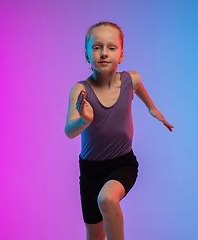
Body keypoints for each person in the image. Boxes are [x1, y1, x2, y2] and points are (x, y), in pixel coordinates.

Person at [64, 21, 174, 240]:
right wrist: (84, 120)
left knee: (107, 199)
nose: (104, 53)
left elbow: (140, 91)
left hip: (123, 163)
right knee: (94, 235)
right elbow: (69, 131)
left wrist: (153, 110)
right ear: (87, 55)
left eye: (111, 48)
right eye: (97, 47)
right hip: (90, 171)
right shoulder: (80, 90)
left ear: (121, 55)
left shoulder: (130, 79)